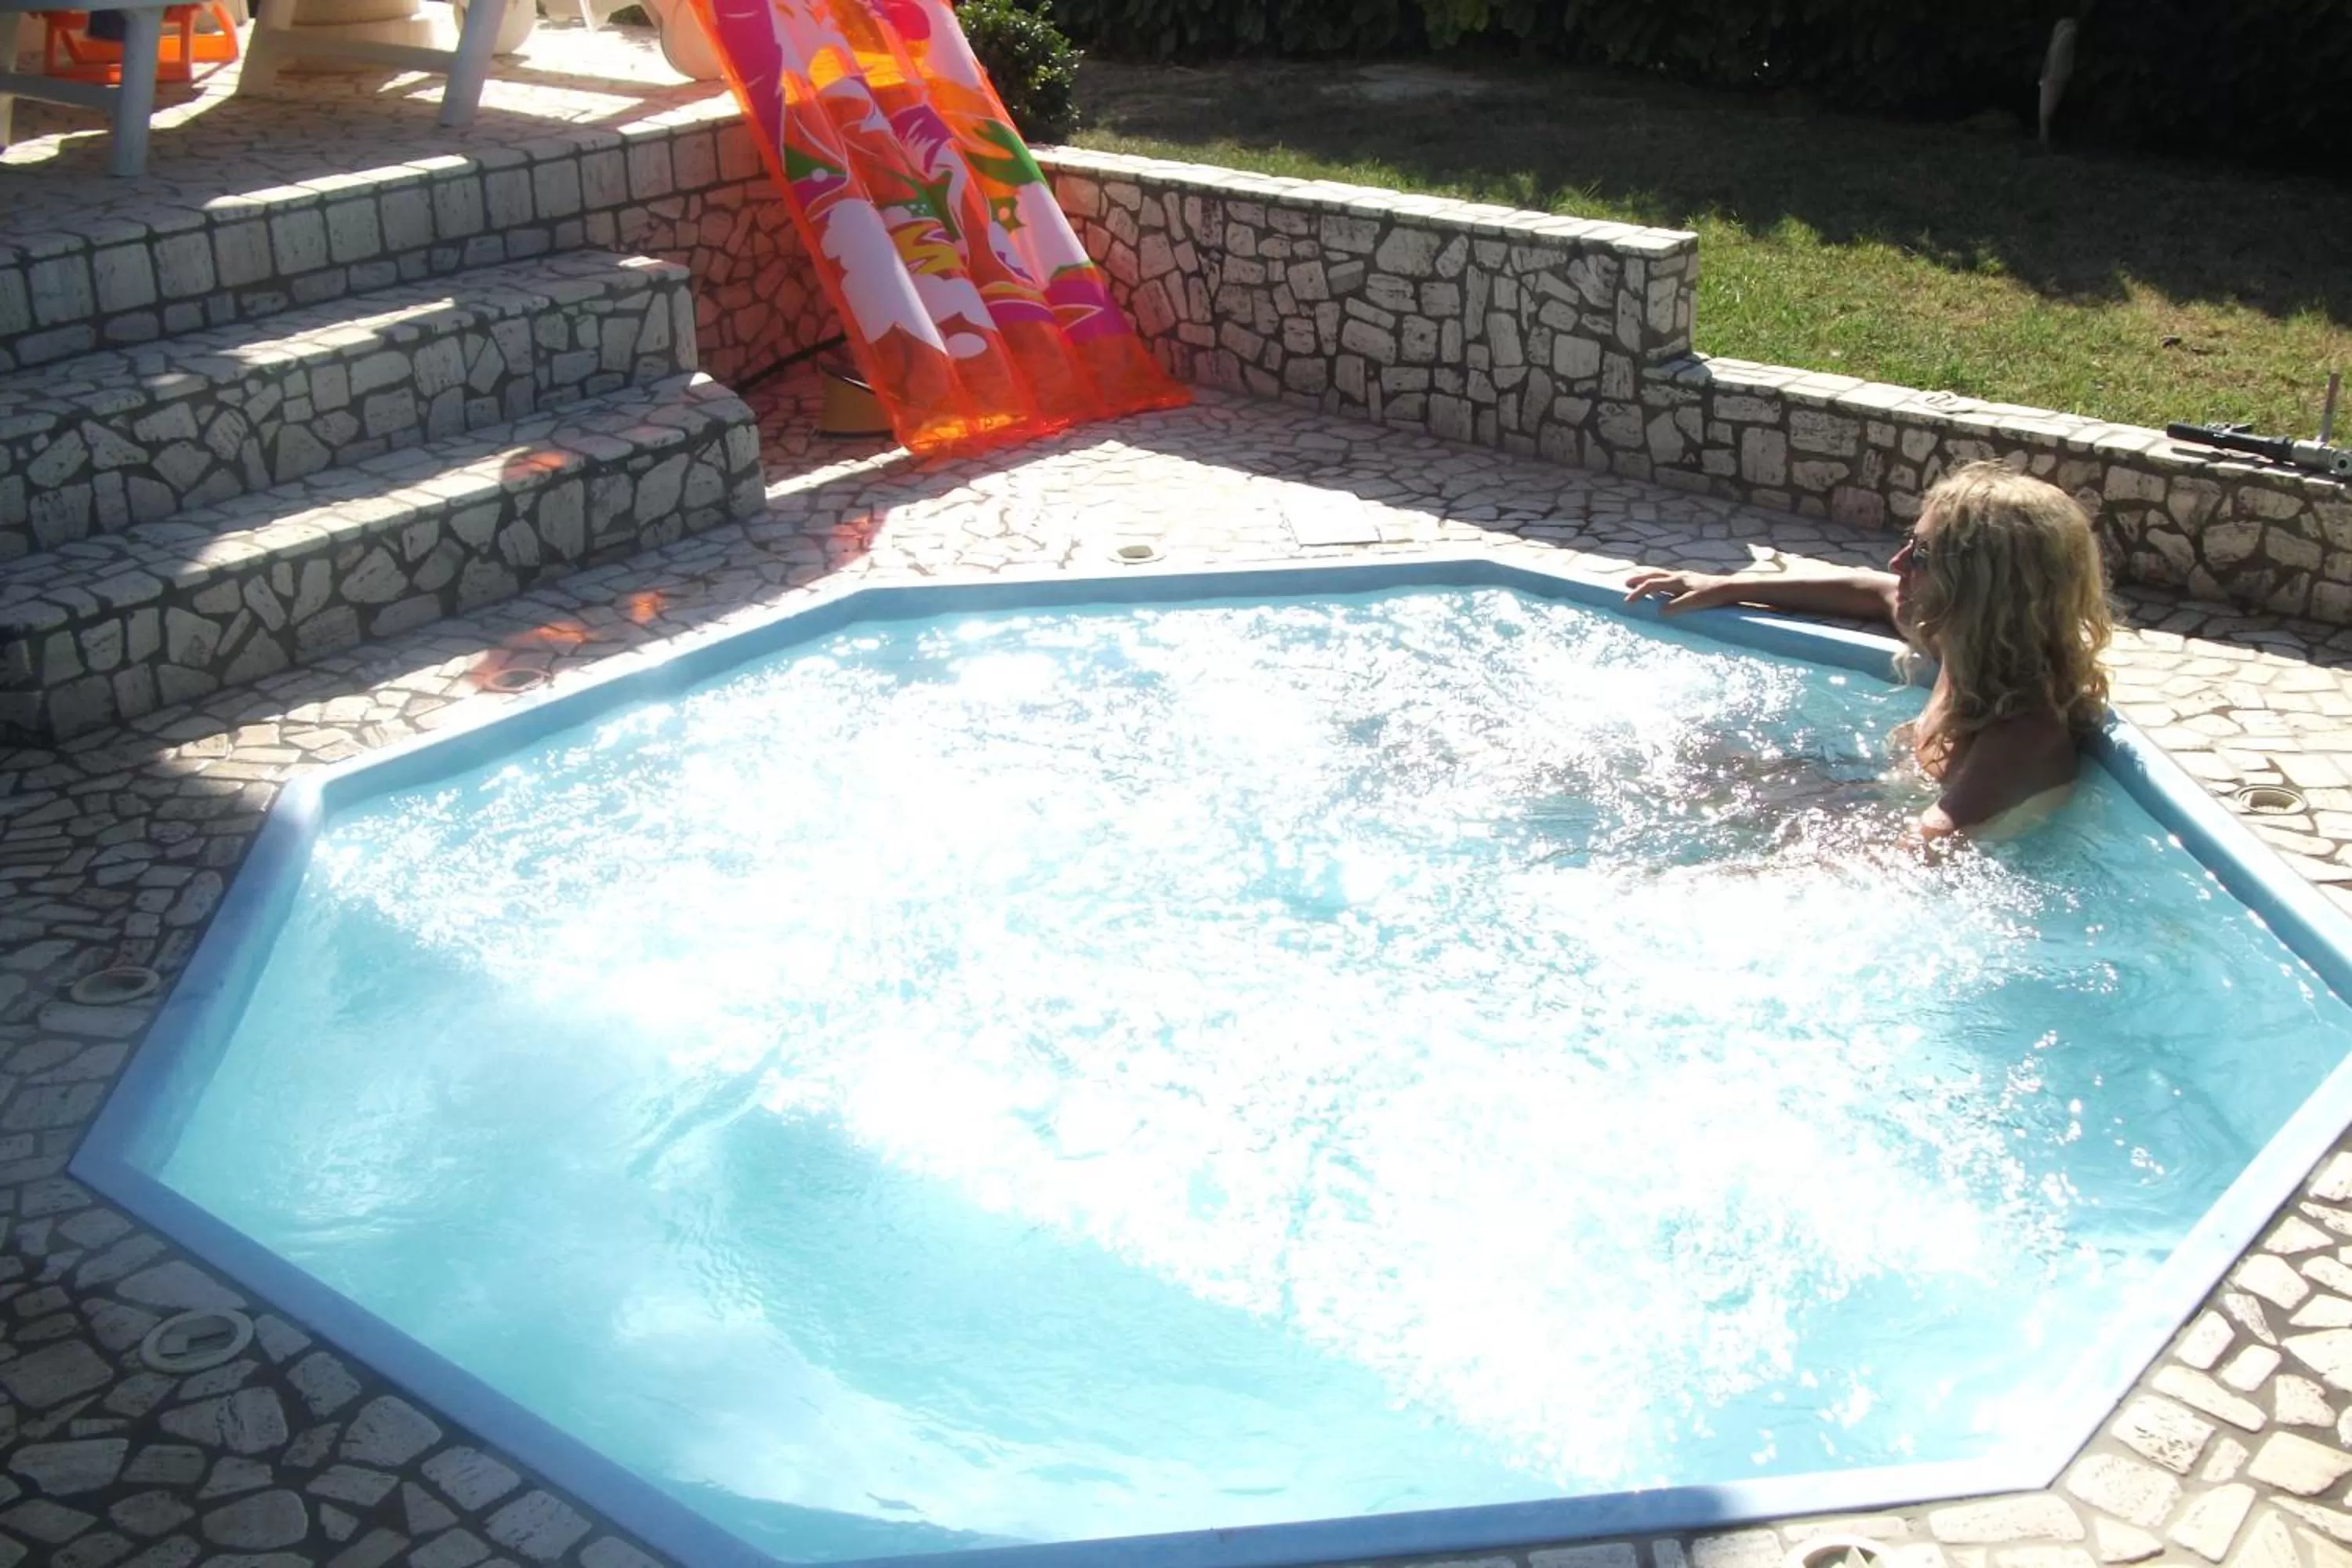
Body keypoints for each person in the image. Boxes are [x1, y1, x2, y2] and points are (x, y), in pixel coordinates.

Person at [1623, 461, 2114, 840]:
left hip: (1897, 846)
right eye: (1908, 543)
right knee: (1680, 755)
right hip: (1870, 800)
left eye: (1922, 555)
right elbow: (1872, 590)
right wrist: (1726, 586)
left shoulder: (2019, 737)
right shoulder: (1963, 645)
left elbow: (1926, 849)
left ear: (1982, 589)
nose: (1897, 562)